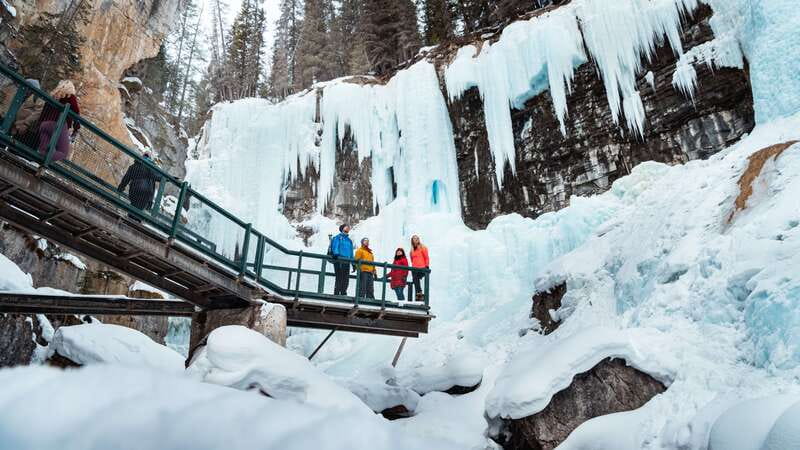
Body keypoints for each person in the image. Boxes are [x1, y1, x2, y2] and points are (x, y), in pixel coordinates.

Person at [37, 80, 80, 162]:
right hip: (58, 125)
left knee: (43, 151)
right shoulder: (70, 97)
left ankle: (39, 163)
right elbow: (76, 113)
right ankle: (45, 164)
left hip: (44, 125)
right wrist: (76, 128)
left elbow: (44, 110)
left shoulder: (53, 95)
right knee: (63, 153)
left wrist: (39, 124)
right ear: (71, 89)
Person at [330, 224, 354, 296]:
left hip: (347, 261)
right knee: (339, 277)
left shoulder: (349, 240)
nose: (347, 228)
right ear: (342, 229)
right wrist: (336, 254)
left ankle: (343, 292)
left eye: (348, 227)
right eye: (346, 227)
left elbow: (351, 252)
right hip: (339, 259)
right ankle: (337, 292)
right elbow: (335, 246)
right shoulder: (338, 237)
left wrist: (353, 263)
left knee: (346, 278)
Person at [410, 235, 430, 301]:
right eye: (414, 239)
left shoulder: (423, 247)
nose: (415, 239)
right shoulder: (412, 250)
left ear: (418, 239)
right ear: (412, 240)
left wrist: (427, 266)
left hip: (422, 267)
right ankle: (418, 295)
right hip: (414, 268)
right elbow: (412, 259)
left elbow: (426, 257)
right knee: (415, 280)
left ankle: (419, 293)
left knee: (416, 278)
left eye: (417, 238)